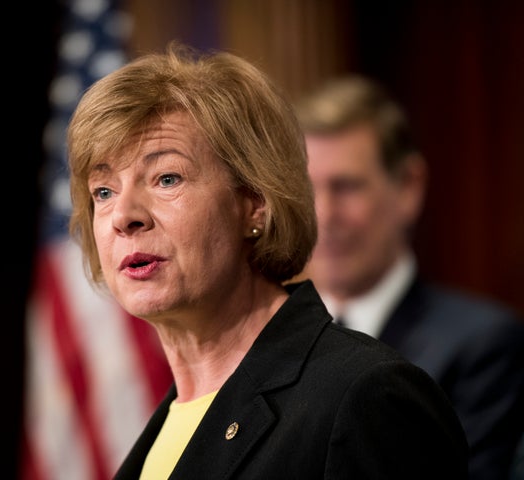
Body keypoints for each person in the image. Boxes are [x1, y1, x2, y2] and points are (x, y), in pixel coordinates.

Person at [66, 44, 468, 479]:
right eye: (103, 192)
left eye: (167, 178)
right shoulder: (164, 428)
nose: (124, 216)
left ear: (254, 202)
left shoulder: (366, 397)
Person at [295, 75, 524, 480]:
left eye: (346, 187)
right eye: (307, 190)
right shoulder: (270, 344)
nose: (325, 216)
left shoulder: (482, 347)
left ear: (408, 188)